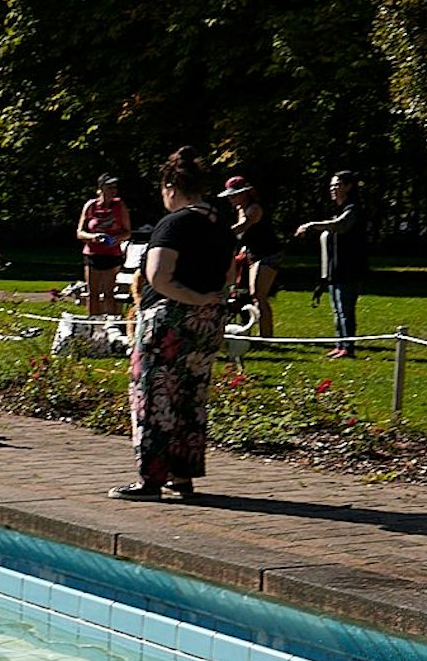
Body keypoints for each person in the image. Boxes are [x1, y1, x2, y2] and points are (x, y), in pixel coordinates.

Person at [110, 147, 234, 501]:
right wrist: (209, 301)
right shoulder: (220, 224)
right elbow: (228, 275)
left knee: (154, 397)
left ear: (170, 185)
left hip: (169, 323)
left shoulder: (175, 223)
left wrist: (191, 299)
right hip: (206, 324)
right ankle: (183, 478)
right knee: (190, 400)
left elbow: (158, 276)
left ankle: (150, 480)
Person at [292, 170, 367, 358]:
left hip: (349, 269)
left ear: (349, 186)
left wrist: (310, 225)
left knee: (345, 311)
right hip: (335, 270)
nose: (333, 189)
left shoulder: (353, 209)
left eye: (338, 185)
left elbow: (339, 226)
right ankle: (340, 345)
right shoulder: (340, 210)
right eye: (332, 185)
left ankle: (348, 349)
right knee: (337, 310)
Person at [219, 175, 282, 338]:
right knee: (250, 293)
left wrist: (218, 235)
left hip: (269, 253)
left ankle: (267, 336)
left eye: (234, 194)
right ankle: (257, 334)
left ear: (245, 193)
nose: (231, 198)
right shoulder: (240, 209)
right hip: (253, 253)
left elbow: (242, 228)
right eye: (229, 195)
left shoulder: (254, 209)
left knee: (258, 294)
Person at [75, 173, 130, 317]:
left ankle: (110, 325)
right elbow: (80, 232)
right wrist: (93, 237)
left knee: (108, 293)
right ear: (100, 189)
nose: (113, 190)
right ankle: (92, 324)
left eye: (114, 187)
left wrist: (115, 239)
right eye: (109, 187)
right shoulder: (91, 206)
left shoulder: (119, 206)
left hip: (112, 255)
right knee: (92, 293)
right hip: (92, 254)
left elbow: (127, 232)